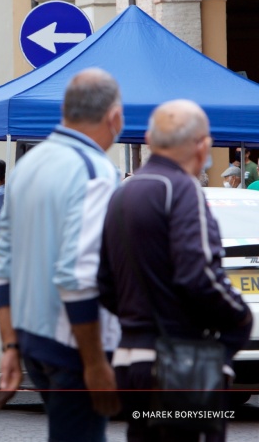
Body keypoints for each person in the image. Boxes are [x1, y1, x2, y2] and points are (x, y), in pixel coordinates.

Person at [98, 100, 252, 442]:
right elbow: (198, 275)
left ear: (151, 138)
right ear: (202, 145)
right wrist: (240, 317)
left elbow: (104, 284)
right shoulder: (182, 190)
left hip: (130, 360)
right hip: (177, 362)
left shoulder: (121, 196)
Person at [0, 68, 123, 441]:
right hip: (74, 342)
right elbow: (78, 275)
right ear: (114, 117)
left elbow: (3, 265)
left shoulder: (29, 164)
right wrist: (96, 363)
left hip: (33, 337)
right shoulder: (96, 170)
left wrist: (11, 346)